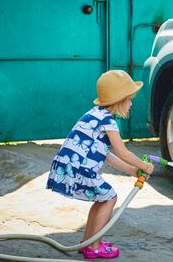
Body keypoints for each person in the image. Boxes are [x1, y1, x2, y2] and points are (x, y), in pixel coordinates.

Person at [46, 70, 154, 259]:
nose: (131, 104)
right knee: (110, 197)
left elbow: (106, 155)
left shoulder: (94, 114)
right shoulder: (108, 121)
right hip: (79, 168)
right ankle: (94, 246)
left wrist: (131, 170)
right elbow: (123, 153)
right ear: (119, 100)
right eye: (129, 99)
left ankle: (88, 242)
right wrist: (144, 167)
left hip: (69, 166)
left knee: (102, 198)